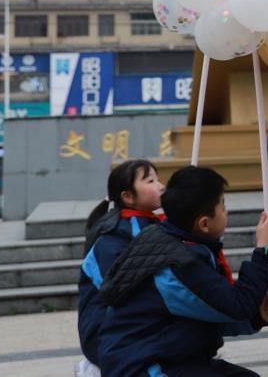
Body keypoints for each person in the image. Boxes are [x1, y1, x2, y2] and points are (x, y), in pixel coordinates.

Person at [96, 166, 268, 377]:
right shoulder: (179, 264)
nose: (226, 211)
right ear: (204, 223)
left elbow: (210, 310)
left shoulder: (170, 239)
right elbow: (237, 305)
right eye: (222, 206)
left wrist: (257, 315)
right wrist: (264, 250)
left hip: (169, 356)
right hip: (144, 366)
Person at [76, 160, 165, 377]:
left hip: (139, 328)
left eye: (158, 179)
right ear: (128, 196)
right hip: (109, 335)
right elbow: (120, 292)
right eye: (150, 180)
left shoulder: (155, 225)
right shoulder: (113, 237)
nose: (161, 185)